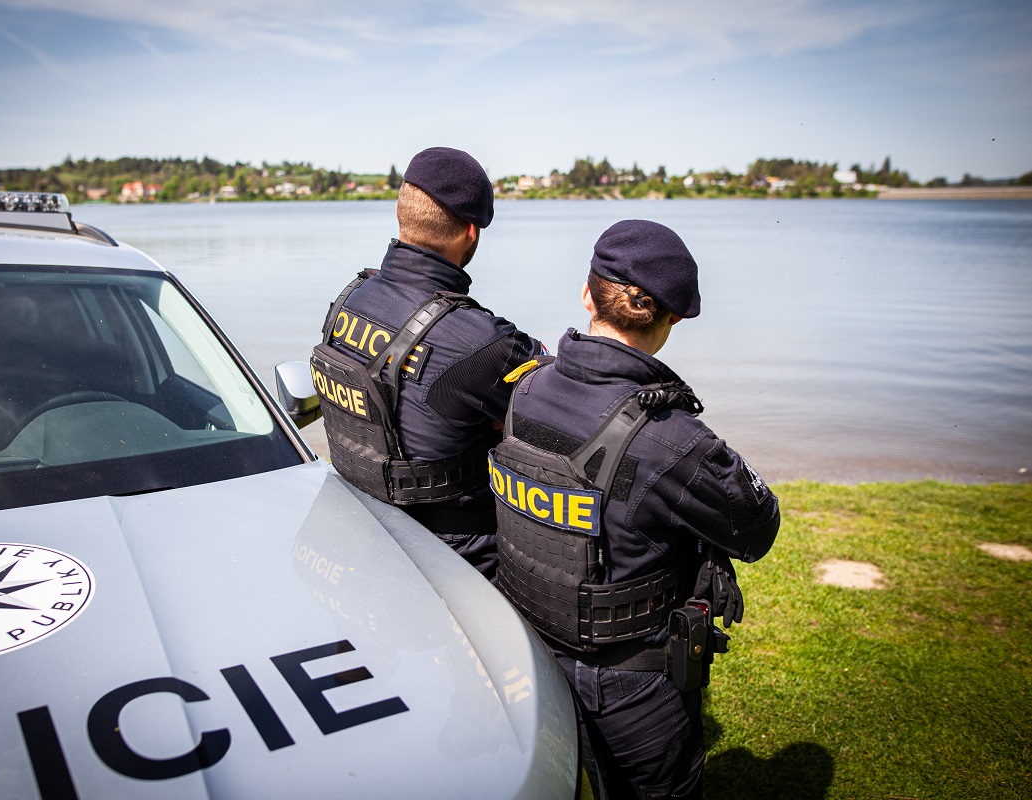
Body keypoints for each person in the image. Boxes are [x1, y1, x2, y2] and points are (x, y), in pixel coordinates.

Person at [489, 219, 780, 798]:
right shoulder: (670, 439)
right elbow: (757, 526)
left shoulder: (525, 389)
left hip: (531, 653)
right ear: (670, 321)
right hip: (631, 684)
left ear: (586, 292)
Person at [311, 146, 543, 580]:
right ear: (471, 233)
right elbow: (553, 403)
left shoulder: (349, 300)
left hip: (362, 525)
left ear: (403, 215)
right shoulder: (483, 341)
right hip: (461, 562)